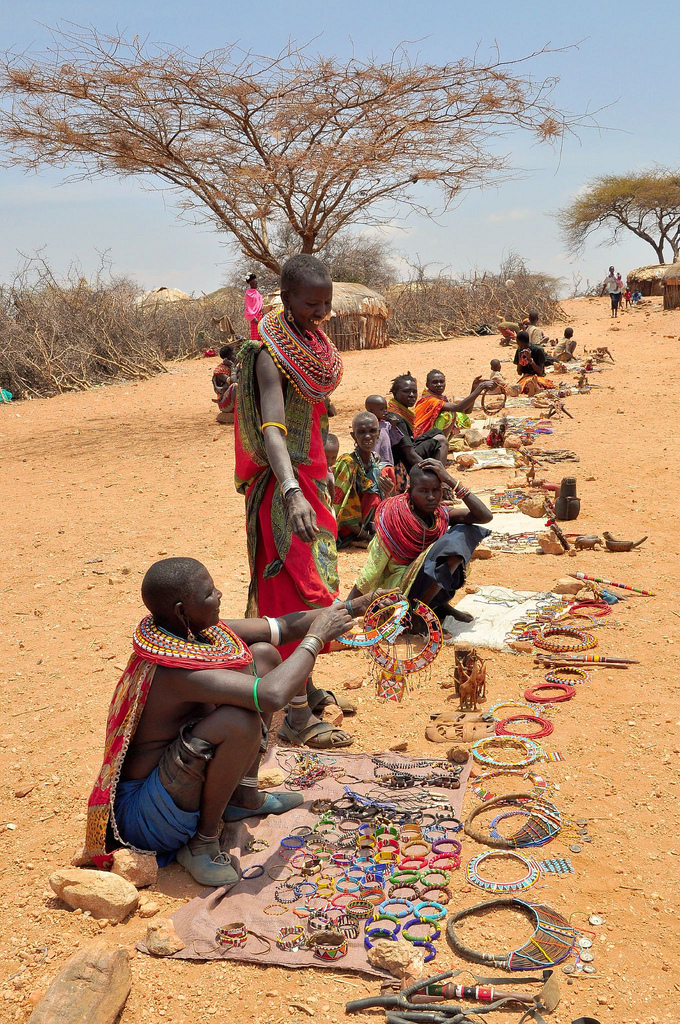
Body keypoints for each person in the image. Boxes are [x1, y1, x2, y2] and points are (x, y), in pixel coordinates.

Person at [83, 557, 372, 886]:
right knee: (239, 721)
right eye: (209, 594)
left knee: (263, 656)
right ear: (182, 611)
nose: (219, 594)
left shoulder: (190, 633)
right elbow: (272, 696)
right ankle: (202, 842)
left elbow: (282, 628)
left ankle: (242, 796)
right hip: (149, 815)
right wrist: (317, 639)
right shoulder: (173, 671)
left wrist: (352, 607)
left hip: (175, 783)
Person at [234, 254, 354, 749]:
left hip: (313, 483)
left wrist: (315, 488)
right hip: (288, 490)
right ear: (285, 298)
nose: (321, 312)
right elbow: (273, 431)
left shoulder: (311, 342)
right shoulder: (270, 353)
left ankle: (303, 680)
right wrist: (293, 494)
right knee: (294, 593)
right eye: (311, 303)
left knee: (320, 583)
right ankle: (298, 714)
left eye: (327, 303)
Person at [347, 460, 492, 624]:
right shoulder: (395, 517)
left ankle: (438, 606)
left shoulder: (441, 514)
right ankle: (417, 618)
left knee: (463, 532)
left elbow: (485, 516)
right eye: (423, 491)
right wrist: (348, 609)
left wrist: (450, 480)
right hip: (400, 591)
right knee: (449, 547)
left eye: (436, 490)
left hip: (424, 582)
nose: (431, 497)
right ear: (410, 491)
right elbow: (372, 569)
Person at [333, 412, 395, 547]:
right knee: (372, 495)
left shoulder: (377, 460)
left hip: (370, 525)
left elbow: (391, 500)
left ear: (378, 433)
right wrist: (367, 537)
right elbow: (339, 507)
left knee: (386, 471)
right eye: (361, 432)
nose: (368, 436)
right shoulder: (347, 463)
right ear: (353, 435)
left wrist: (388, 491)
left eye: (372, 431)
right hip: (348, 527)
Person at [413, 369, 492, 438]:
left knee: (458, 415)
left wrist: (474, 388)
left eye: (442, 382)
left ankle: (442, 443)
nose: (439, 385)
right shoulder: (430, 400)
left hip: (430, 436)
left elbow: (467, 411)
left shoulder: (441, 398)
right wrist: (481, 387)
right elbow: (459, 407)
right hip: (421, 438)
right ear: (427, 385)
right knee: (447, 415)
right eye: (435, 382)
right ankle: (439, 445)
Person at [513, 330, 556, 395]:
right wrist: (520, 360)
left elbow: (540, 372)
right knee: (520, 387)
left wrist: (530, 360)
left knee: (536, 384)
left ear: (520, 342)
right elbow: (519, 372)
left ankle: (534, 389)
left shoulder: (538, 350)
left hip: (538, 378)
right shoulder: (519, 350)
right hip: (526, 378)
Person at [365, 395, 394, 467]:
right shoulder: (367, 426)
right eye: (382, 409)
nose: (385, 411)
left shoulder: (386, 424)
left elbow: (394, 440)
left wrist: (394, 426)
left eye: (386, 408)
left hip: (387, 457)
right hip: (374, 459)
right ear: (371, 411)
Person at [212, 345, 238, 424]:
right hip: (224, 404)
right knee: (235, 386)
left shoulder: (235, 368)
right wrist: (233, 368)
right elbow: (233, 381)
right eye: (234, 355)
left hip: (232, 400)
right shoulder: (220, 371)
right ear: (228, 358)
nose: (236, 357)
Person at [244, 273, 264, 340]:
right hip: (254, 316)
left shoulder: (257, 293)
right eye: (255, 282)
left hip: (260, 315)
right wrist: (253, 317)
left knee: (261, 333)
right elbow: (248, 306)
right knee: (255, 335)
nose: (257, 283)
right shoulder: (248, 293)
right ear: (251, 283)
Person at [324, 432, 340, 504]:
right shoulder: (320, 474)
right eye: (326, 457)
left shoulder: (330, 471)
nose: (329, 461)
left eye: (333, 458)